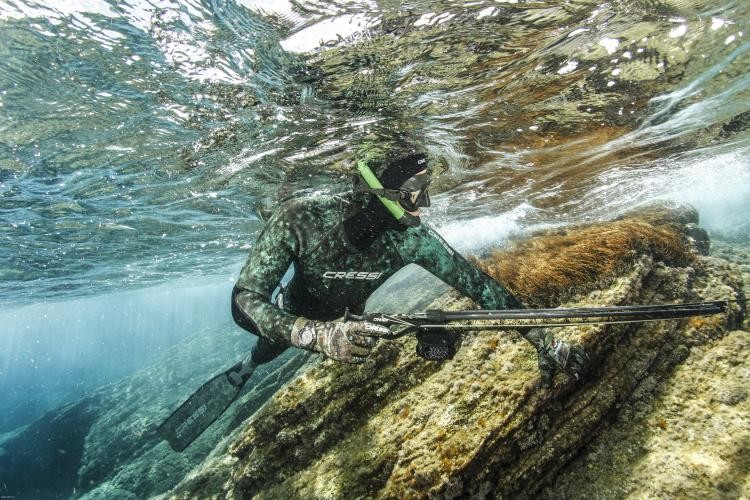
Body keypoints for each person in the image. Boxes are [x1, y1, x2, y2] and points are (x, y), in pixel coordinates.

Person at [231, 152, 588, 384]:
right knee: (268, 347)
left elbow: (481, 288)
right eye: (416, 190)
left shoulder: (415, 240)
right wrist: (314, 334)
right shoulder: (303, 216)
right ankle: (247, 368)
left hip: (348, 320)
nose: (426, 204)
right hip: (296, 311)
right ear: (380, 188)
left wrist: (546, 341)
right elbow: (245, 299)